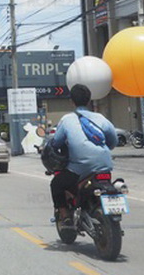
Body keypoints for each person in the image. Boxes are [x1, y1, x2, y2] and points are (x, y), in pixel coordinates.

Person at [50, 84, 117, 225]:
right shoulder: (101, 118)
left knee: (56, 184)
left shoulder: (67, 120)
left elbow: (56, 143)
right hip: (105, 167)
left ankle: (65, 215)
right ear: (88, 101)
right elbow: (112, 141)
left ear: (72, 101)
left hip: (80, 170)